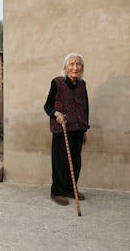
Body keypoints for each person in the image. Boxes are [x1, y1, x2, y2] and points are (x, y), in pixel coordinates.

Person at [44, 52, 90, 206]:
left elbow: (85, 108)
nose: (75, 67)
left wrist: (85, 129)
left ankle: (71, 189)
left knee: (76, 161)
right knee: (61, 162)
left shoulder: (82, 85)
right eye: (71, 64)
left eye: (78, 64)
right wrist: (56, 113)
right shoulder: (57, 82)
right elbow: (47, 106)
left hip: (78, 128)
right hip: (62, 129)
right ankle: (57, 191)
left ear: (82, 67)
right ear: (65, 66)